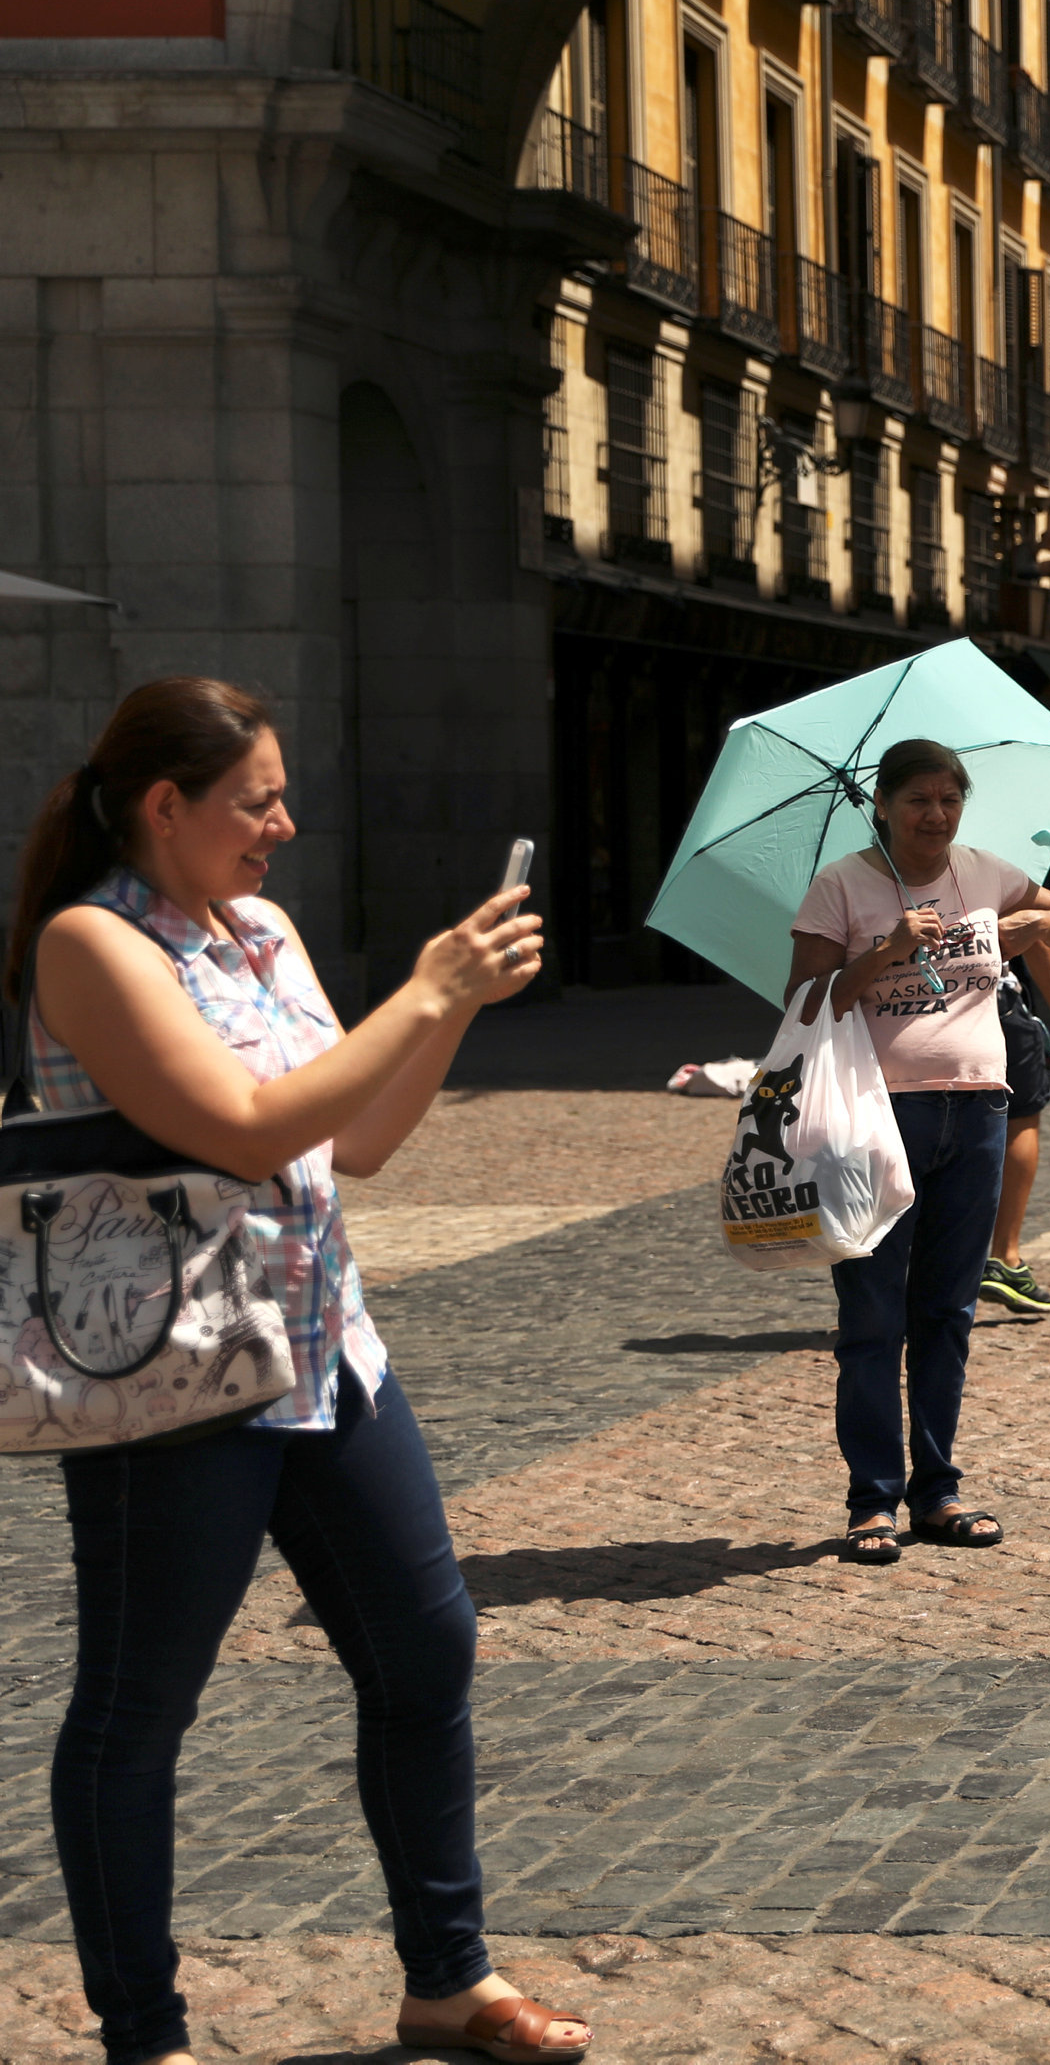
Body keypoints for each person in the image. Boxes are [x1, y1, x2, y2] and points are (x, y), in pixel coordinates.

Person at [8, 678, 589, 2065]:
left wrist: (452, 1011)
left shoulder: (255, 929)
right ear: (167, 805)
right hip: (173, 1380)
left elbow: (360, 1133)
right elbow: (244, 1128)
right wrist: (426, 987)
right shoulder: (90, 943)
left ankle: (448, 1979)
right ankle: (144, 2031)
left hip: (326, 1355)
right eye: (257, 797)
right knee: (138, 1709)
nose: (284, 821)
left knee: (425, 1648)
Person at [785, 737, 1050, 1568]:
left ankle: (937, 1490)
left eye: (949, 798)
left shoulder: (983, 871)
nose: (936, 815)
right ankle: (871, 1500)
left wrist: (1033, 921)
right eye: (918, 799)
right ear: (882, 803)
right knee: (874, 1315)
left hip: (978, 1111)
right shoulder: (843, 883)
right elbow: (804, 998)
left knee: (948, 1312)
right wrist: (885, 951)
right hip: (873, 1122)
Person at [977, 845, 1050, 1319]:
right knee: (1021, 1119)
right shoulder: (992, 854)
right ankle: (1004, 1256)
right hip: (994, 1004)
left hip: (903, 1021)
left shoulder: (867, 867)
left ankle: (921, 1268)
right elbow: (1041, 927)